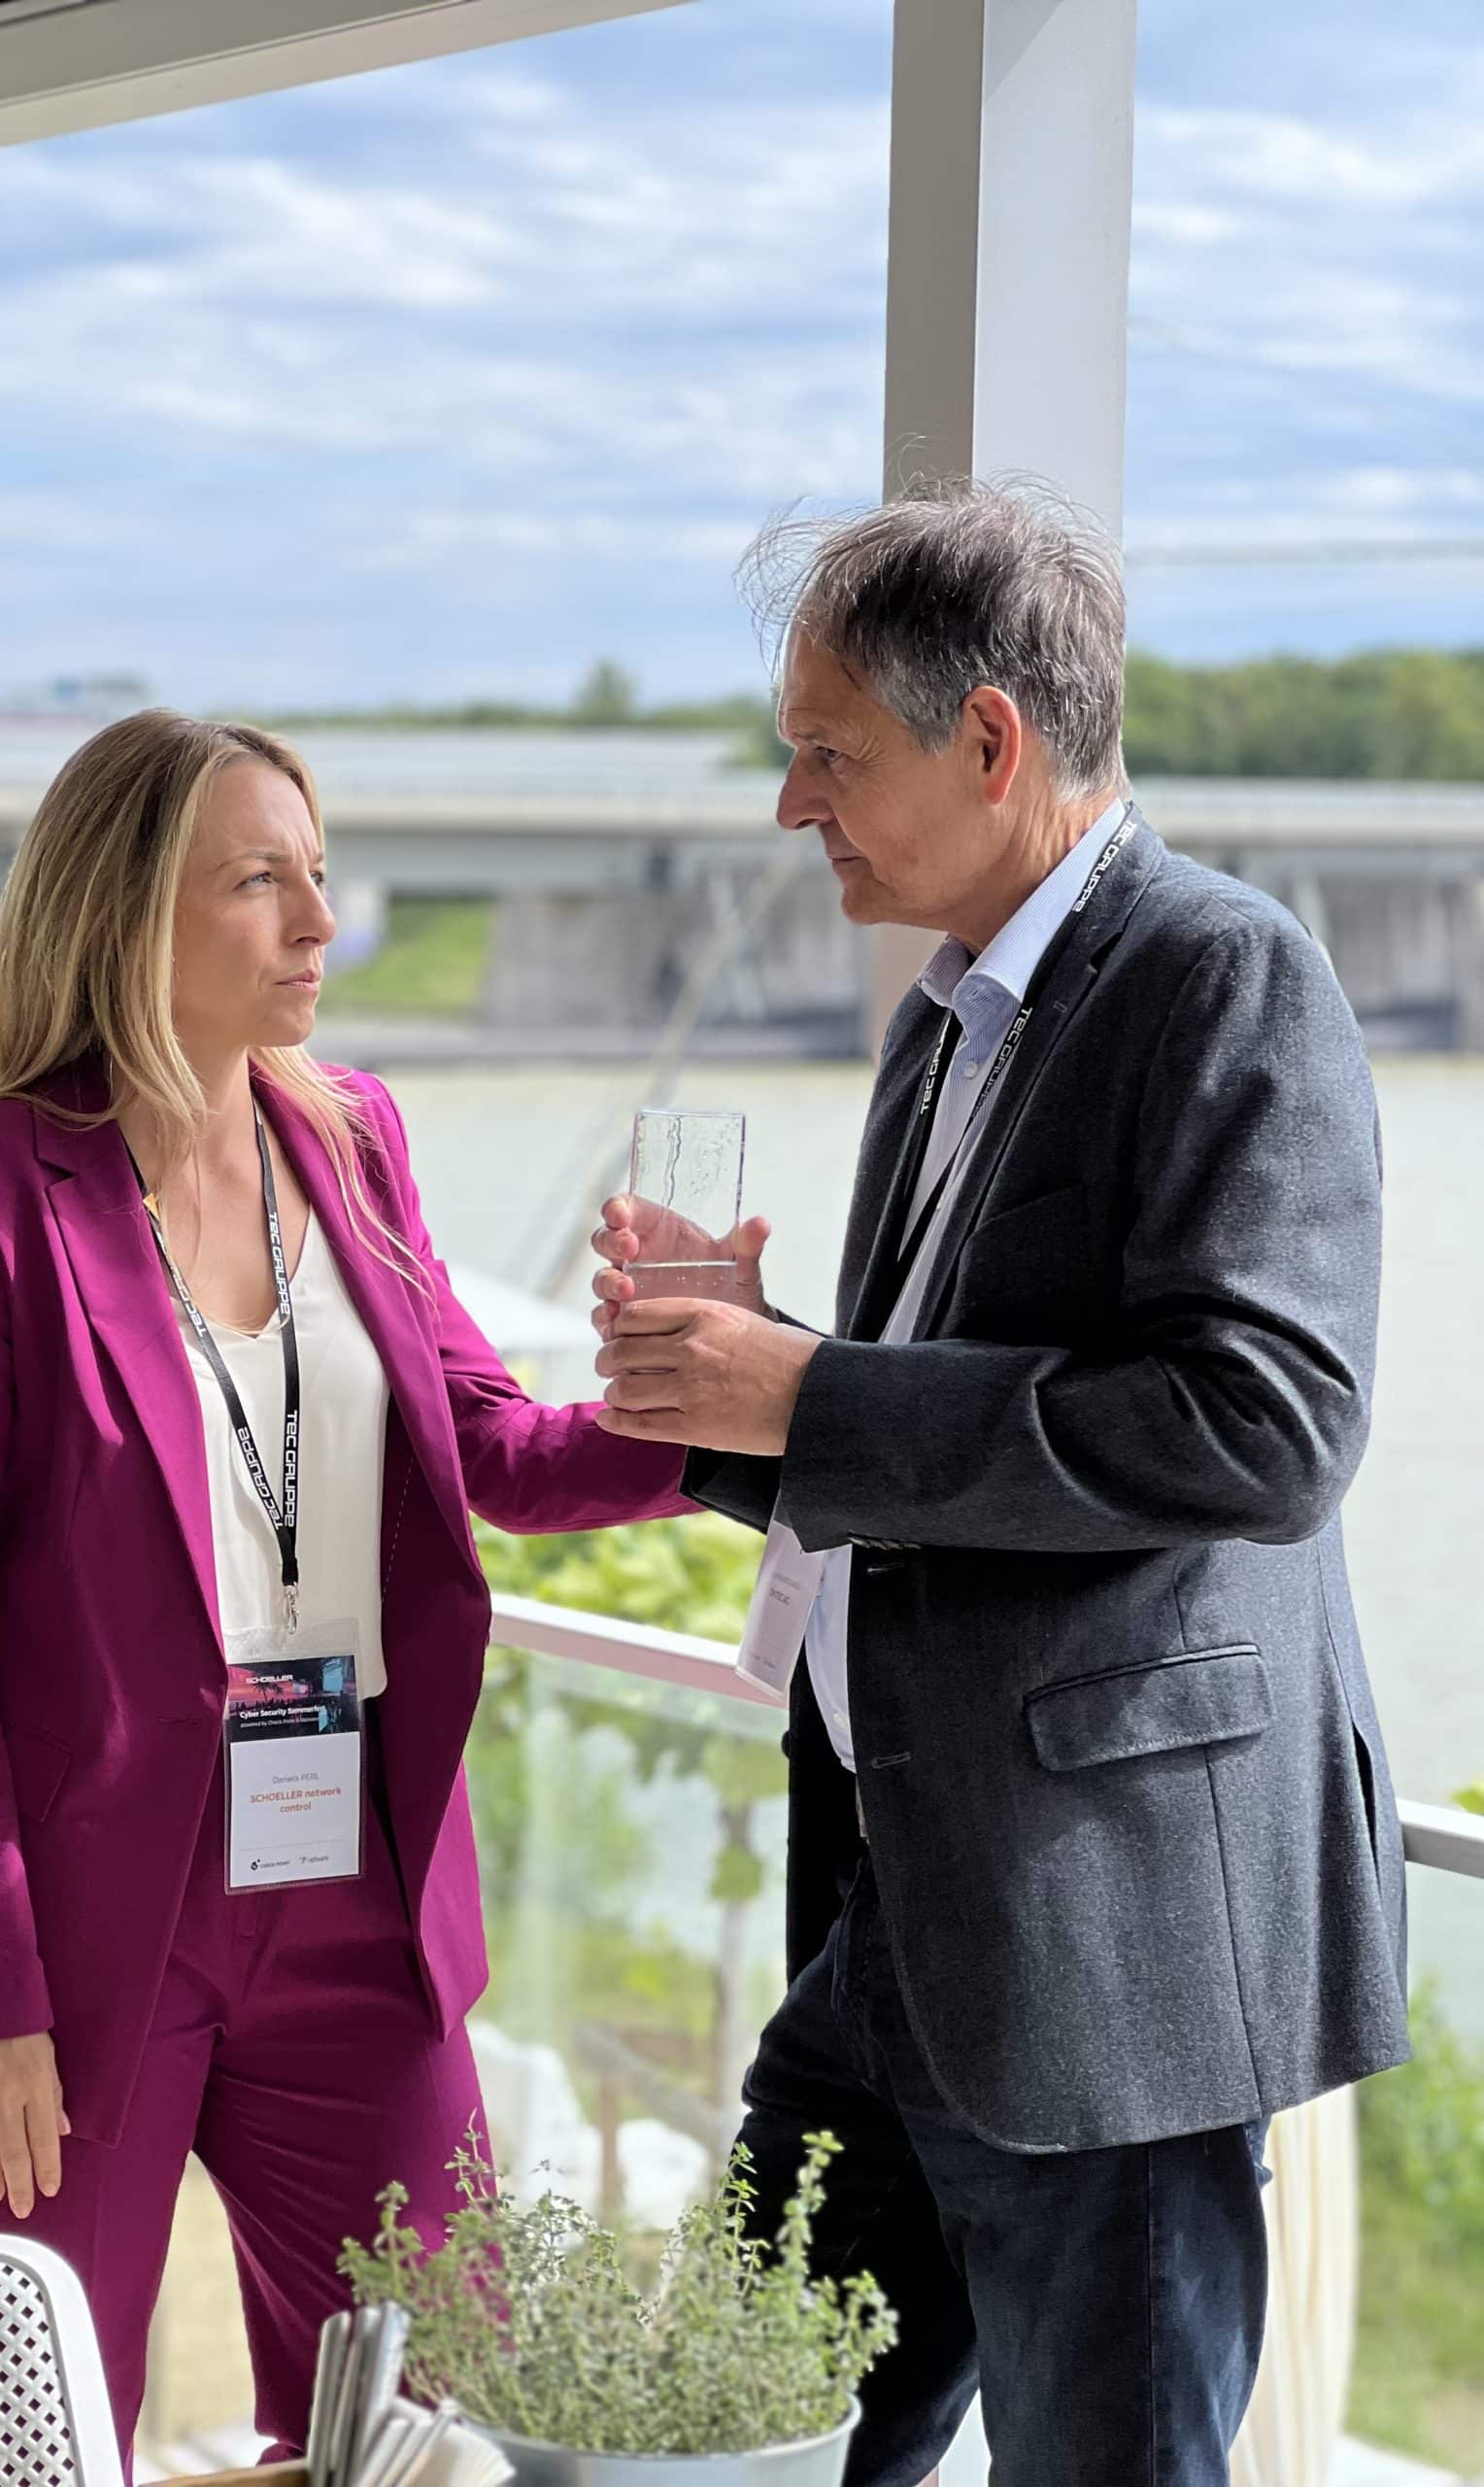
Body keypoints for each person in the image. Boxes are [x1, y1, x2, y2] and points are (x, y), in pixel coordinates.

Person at [590, 482, 1409, 2487]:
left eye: (830, 753)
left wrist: (816, 1393)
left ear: (988, 740)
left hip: (1107, 1961)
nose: (794, 804)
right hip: (898, 1918)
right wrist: (745, 1381)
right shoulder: (942, 1021)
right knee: (712, 2436)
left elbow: (1267, 1424)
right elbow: (908, 1439)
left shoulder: (1229, 976)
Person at [0, 710, 707, 2476]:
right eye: (263, 881)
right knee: (28, 2441)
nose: (323, 921)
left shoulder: (356, 1136)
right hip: (77, 1922)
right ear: (126, 913)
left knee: (433, 2422)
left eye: (321, 874)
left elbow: (489, 1443)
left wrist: (712, 1399)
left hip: (354, 1893)